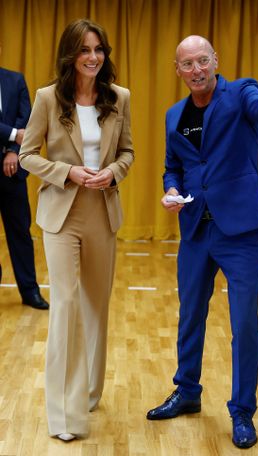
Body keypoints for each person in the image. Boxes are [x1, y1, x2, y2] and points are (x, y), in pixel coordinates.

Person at [146, 35, 258, 449]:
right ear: (178, 70)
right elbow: (174, 166)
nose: (196, 70)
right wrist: (171, 190)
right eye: (187, 64)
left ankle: (242, 411)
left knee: (243, 324)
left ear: (215, 60)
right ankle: (187, 391)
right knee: (190, 315)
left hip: (239, 230)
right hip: (195, 230)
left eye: (202, 61)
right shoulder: (174, 115)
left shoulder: (240, 91)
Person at [19, 19, 134, 441]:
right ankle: (64, 415)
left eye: (98, 49)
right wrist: (68, 171)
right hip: (61, 216)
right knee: (65, 307)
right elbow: (28, 154)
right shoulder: (48, 98)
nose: (93, 57)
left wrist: (113, 174)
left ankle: (87, 392)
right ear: (71, 55)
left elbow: (127, 152)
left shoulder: (119, 98)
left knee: (95, 307)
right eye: (85, 49)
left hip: (102, 214)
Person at [0, 44, 49, 310]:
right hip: (9, 154)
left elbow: (27, 121)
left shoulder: (15, 79)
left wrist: (12, 151)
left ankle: (30, 292)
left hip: (11, 171)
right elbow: (16, 129)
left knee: (21, 233)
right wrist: (11, 135)